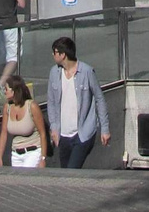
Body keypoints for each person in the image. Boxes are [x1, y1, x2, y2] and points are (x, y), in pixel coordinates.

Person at [47, 36, 110, 168]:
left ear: (63, 55)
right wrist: (53, 127)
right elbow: (51, 102)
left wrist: (104, 129)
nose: (53, 55)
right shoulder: (54, 72)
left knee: (72, 170)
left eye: (55, 52)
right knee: (65, 174)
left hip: (82, 133)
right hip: (62, 133)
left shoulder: (86, 71)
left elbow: (99, 98)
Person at [0, 74, 48, 169]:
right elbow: (3, 133)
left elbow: (42, 133)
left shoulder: (31, 106)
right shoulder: (7, 107)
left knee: (26, 179)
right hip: (16, 153)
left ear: (14, 91)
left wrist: (43, 158)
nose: (5, 92)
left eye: (6, 89)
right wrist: (0, 157)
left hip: (33, 152)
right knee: (17, 182)